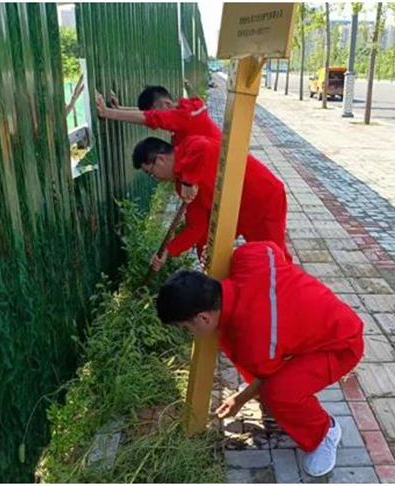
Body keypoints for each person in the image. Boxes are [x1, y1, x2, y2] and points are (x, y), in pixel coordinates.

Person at [155, 241, 365, 477]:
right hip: (332, 321)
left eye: (185, 328)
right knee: (260, 367)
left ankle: (325, 432)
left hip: (341, 346)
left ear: (203, 318)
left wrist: (240, 400)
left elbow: (267, 377)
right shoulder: (248, 258)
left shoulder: (254, 342)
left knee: (277, 394)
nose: (188, 333)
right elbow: (270, 247)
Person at [132, 136, 292, 268]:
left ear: (160, 160)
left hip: (263, 198)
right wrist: (168, 250)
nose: (157, 180)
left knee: (274, 259)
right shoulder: (181, 184)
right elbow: (196, 227)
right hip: (236, 210)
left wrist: (189, 181)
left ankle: (293, 298)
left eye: (151, 173)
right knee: (208, 247)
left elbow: (202, 146)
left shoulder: (189, 147)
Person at [95, 83, 221, 146]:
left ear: (166, 103)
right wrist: (120, 108)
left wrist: (107, 113)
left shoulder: (187, 115)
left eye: (155, 111)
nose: (158, 119)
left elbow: (152, 117)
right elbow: (150, 114)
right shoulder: (185, 112)